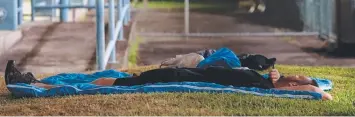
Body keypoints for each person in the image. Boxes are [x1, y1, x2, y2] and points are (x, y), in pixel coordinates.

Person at [4, 60, 332, 100]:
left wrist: (290, 83)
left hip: (177, 75)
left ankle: (40, 86)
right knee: (119, 81)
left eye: (297, 76)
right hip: (180, 72)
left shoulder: (261, 86)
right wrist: (276, 76)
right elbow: (311, 82)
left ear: (292, 85)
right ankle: (39, 81)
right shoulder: (263, 79)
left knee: (118, 84)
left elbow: (318, 89)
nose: (300, 75)